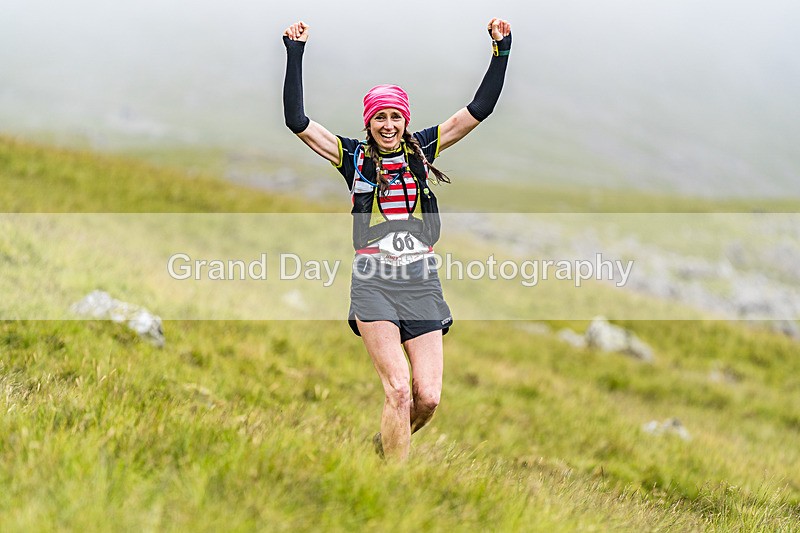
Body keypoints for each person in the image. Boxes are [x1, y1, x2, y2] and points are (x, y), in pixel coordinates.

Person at [282, 18, 512, 460]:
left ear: (404, 120)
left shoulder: (425, 149)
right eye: (379, 117)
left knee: (427, 398)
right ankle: (395, 486)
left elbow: (478, 109)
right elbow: (297, 120)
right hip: (374, 285)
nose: (388, 125)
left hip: (421, 283)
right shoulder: (351, 156)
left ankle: (386, 446)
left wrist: (502, 52)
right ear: (368, 123)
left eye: (395, 116)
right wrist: (296, 52)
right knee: (399, 392)